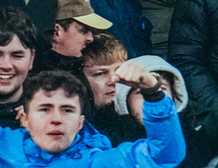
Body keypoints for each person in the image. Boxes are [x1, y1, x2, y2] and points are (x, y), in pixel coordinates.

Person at [2, 64, 186, 168]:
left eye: (67, 110)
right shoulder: (4, 148)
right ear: (24, 119)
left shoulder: (99, 162)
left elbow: (163, 157)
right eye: (44, 109)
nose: (56, 119)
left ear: (80, 123)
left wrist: (153, 94)